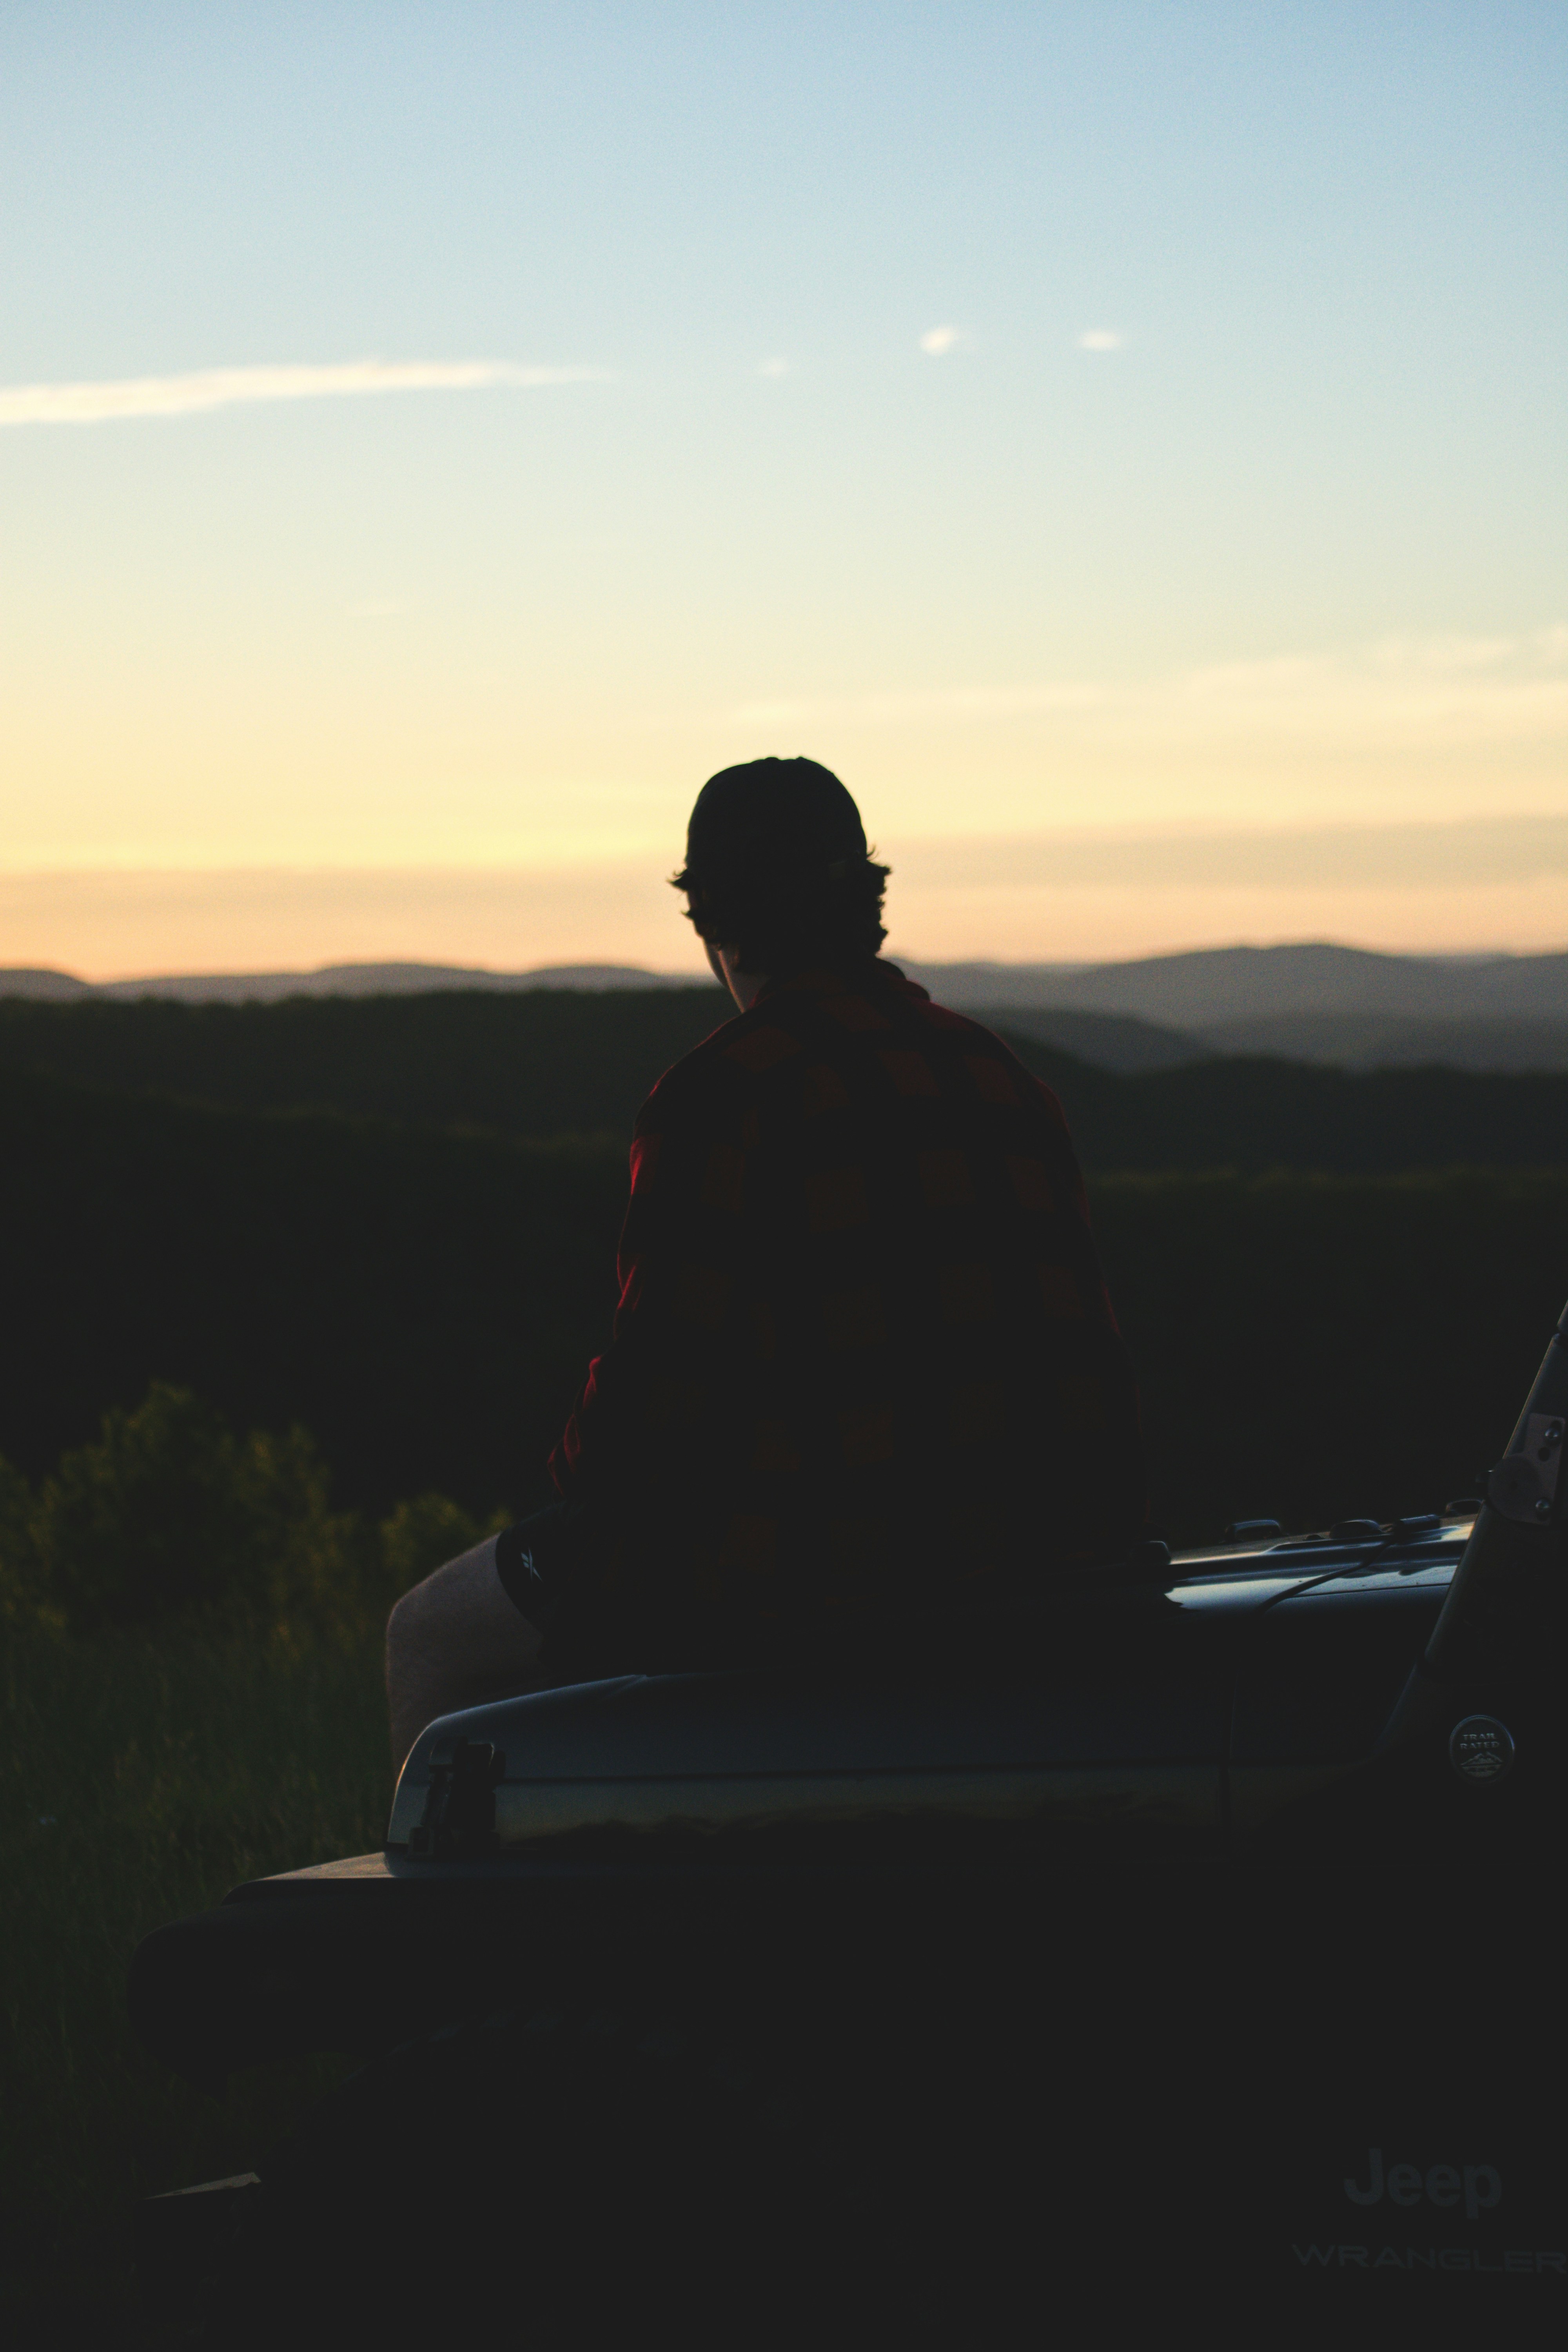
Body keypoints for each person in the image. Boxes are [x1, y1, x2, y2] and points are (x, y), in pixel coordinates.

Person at [386, 758, 1145, 1762]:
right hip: (1056, 1557)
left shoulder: (723, 1096)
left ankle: (463, 1911)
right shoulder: (1001, 1077)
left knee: (431, 1633)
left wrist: (579, 1476)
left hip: (829, 1579)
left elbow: (644, 1422)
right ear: (864, 900)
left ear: (712, 918)